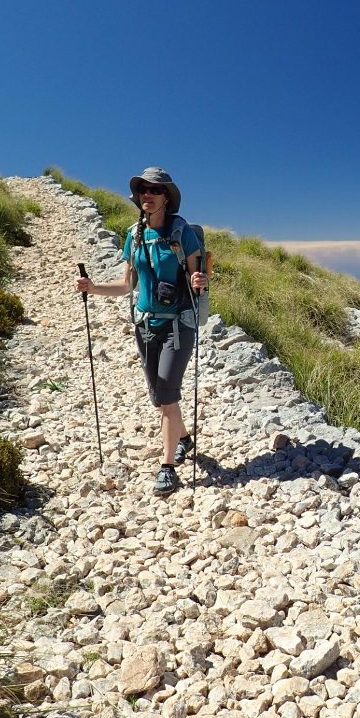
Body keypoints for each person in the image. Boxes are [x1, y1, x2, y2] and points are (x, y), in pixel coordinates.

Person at [76, 167, 207, 496]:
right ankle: (184, 438)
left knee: (166, 392)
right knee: (161, 398)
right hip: (146, 325)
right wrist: (92, 288)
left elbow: (198, 281)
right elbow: (126, 286)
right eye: (143, 190)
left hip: (178, 324)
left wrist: (199, 282)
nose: (147, 194)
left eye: (154, 190)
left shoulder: (181, 233)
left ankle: (167, 467)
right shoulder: (134, 236)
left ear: (166, 198)